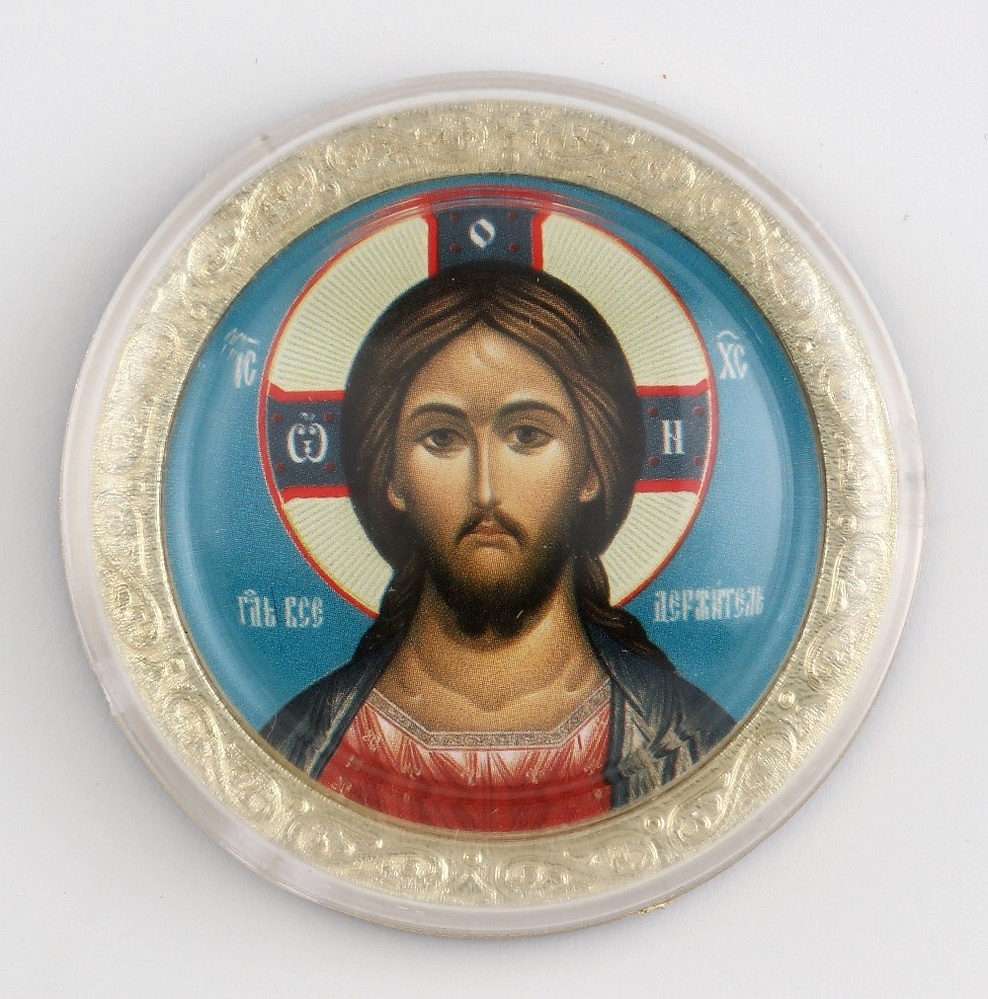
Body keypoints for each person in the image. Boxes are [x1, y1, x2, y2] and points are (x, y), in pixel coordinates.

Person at [262, 262, 733, 832]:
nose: (485, 491)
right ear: (391, 477)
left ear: (592, 468)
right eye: (442, 438)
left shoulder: (686, 739)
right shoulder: (302, 746)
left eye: (527, 435)